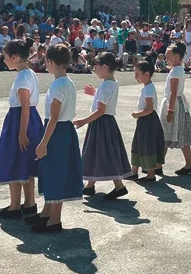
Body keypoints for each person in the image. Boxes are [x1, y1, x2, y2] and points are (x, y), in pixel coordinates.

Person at [30, 44, 82, 233]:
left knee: (55, 173)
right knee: (54, 171)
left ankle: (55, 219)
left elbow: (54, 117)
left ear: (51, 62)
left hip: (56, 131)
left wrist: (43, 142)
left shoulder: (58, 85)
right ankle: (47, 212)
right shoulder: (67, 82)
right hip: (64, 130)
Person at [0, 38, 43, 220]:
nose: (4, 60)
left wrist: (22, 132)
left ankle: (15, 206)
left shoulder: (23, 77)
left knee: (14, 159)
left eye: (5, 56)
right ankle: (29, 203)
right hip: (30, 119)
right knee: (26, 162)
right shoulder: (29, 73)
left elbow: (24, 107)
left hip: (20, 120)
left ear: (14, 57)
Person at [76, 51, 132, 199]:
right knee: (99, 152)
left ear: (104, 67)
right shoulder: (111, 82)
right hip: (107, 122)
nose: (94, 69)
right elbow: (105, 101)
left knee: (102, 152)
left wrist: (84, 121)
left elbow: (101, 110)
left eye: (96, 66)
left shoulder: (106, 85)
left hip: (101, 123)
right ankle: (90, 185)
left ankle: (119, 186)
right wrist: (95, 93)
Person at [160, 42, 191, 174]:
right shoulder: (177, 69)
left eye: (168, 57)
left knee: (166, 133)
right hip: (177, 103)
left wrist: (170, 110)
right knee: (178, 134)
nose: (166, 59)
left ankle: (158, 164)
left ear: (176, 57)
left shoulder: (176, 71)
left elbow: (173, 92)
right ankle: (189, 163)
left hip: (174, 104)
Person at [128, 57, 166, 182]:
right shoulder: (146, 87)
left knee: (147, 145)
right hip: (144, 120)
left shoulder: (149, 88)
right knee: (138, 144)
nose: (135, 77)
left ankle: (150, 174)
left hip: (148, 120)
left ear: (146, 74)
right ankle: (134, 171)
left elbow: (149, 109)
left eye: (137, 74)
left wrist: (137, 114)